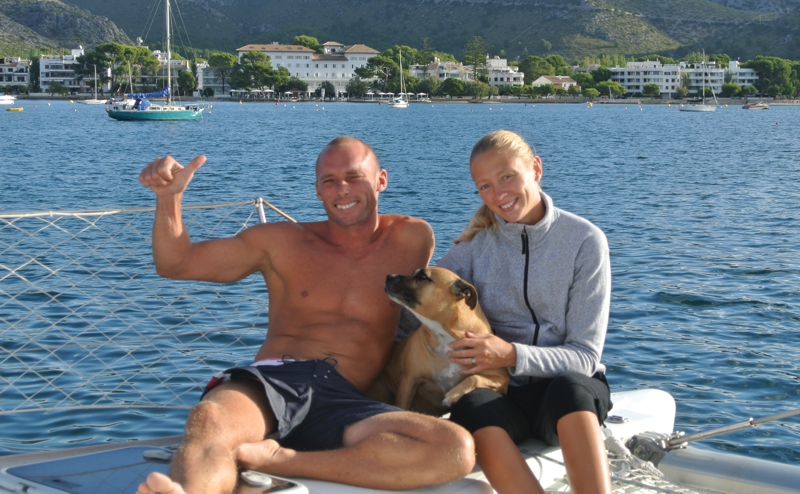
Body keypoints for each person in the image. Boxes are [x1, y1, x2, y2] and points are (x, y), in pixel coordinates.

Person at [135, 136, 475, 494]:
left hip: (346, 401)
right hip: (274, 383)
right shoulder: (279, 242)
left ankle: (276, 459)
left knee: (453, 447)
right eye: (329, 181)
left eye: (353, 177)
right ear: (317, 190)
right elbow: (176, 263)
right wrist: (169, 198)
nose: (342, 189)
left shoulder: (412, 239)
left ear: (381, 180)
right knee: (211, 421)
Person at [439, 129, 612, 494]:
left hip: (567, 398)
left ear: (535, 168)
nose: (498, 194)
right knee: (470, 404)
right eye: (485, 186)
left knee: (570, 388)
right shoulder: (472, 248)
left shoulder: (584, 241)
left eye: (507, 177)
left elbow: (585, 356)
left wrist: (511, 354)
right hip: (503, 397)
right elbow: (422, 301)